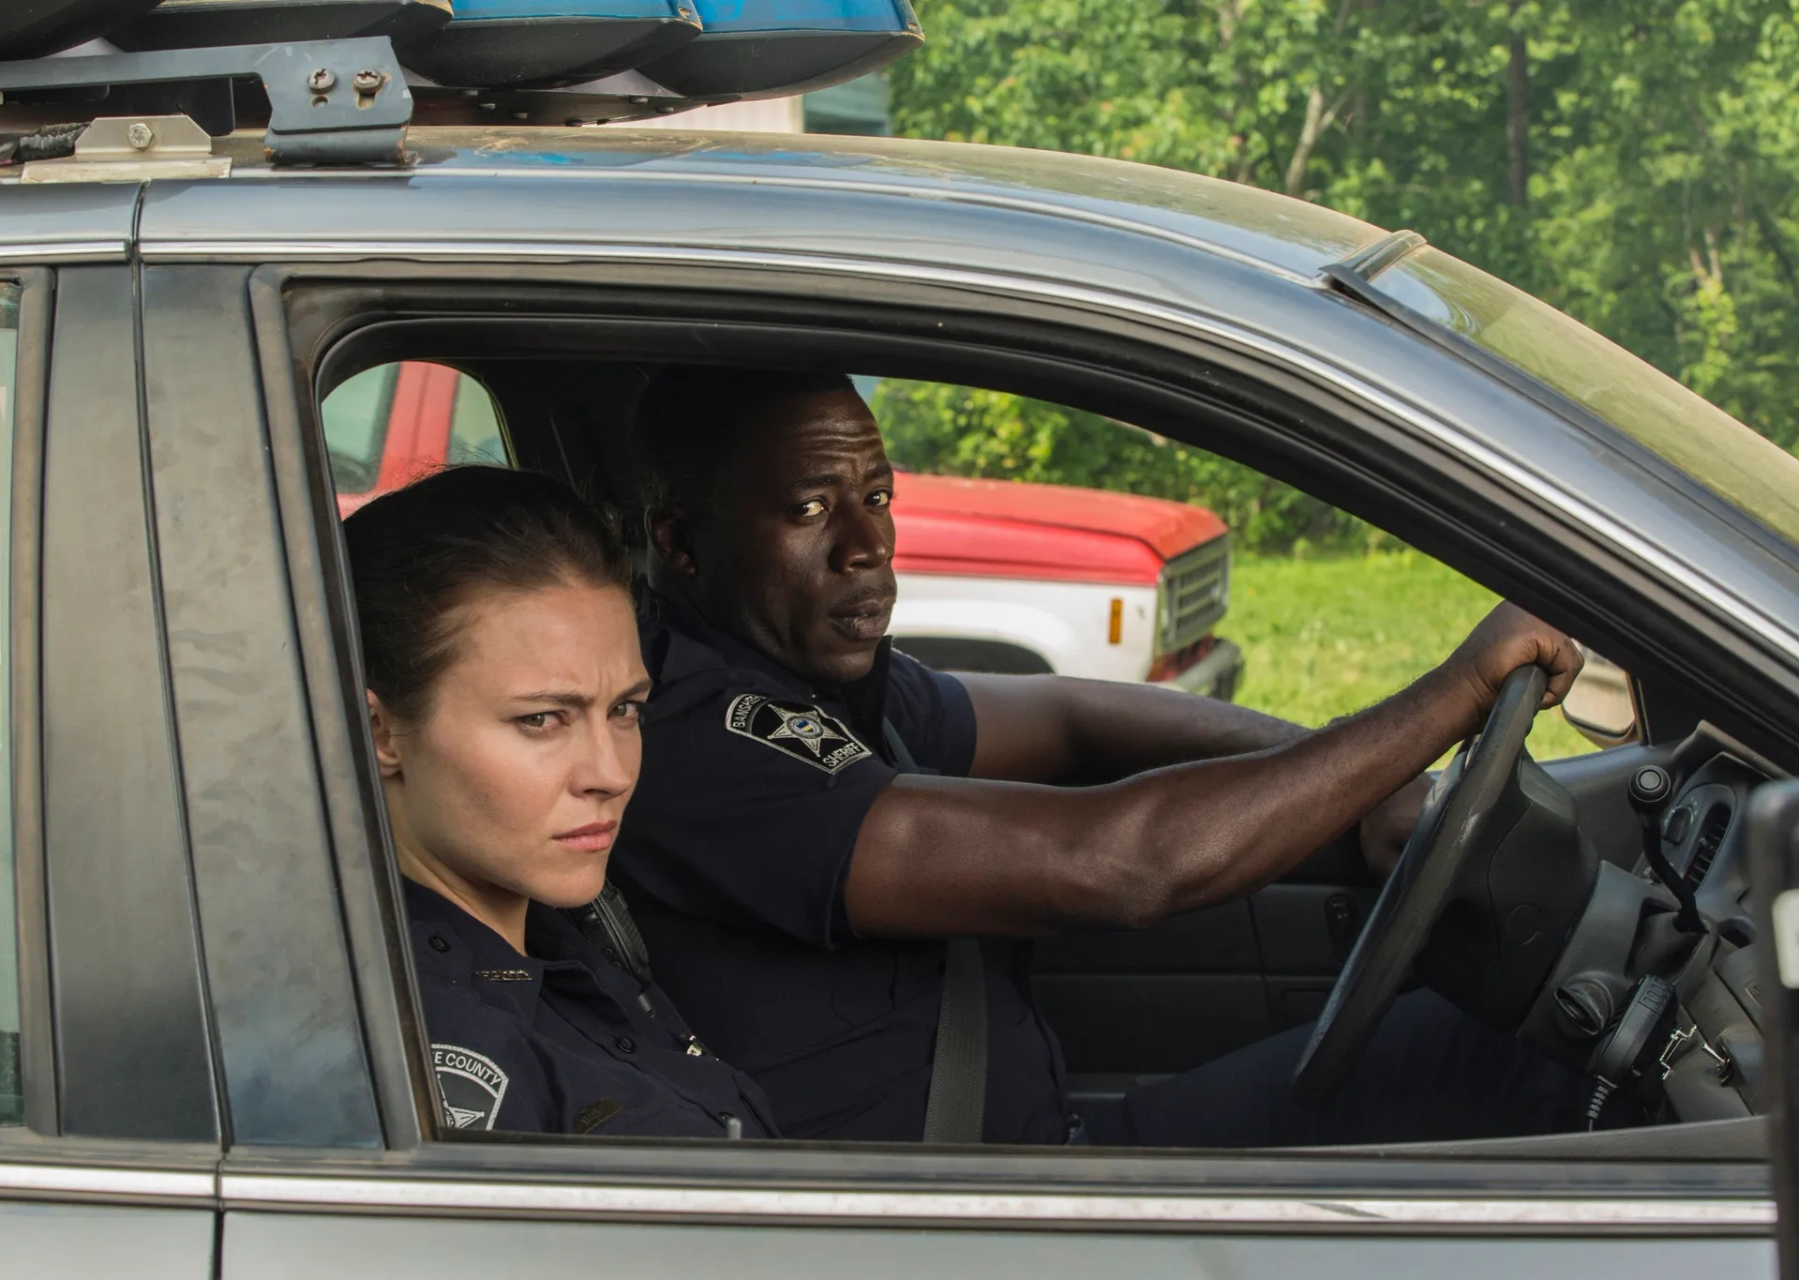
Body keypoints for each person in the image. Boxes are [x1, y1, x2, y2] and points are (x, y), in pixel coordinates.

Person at [606, 365, 1587, 1147]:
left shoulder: (812, 679)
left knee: (1495, 1048)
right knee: (1525, 1068)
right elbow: (1119, 863)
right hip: (957, 1232)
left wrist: (1373, 788)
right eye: (810, 509)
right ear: (680, 542)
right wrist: (1451, 694)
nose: (869, 543)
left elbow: (1074, 714)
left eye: (876, 495)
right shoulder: (696, 737)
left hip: (1037, 1166)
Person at [345, 465, 775, 1139]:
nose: (611, 774)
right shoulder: (423, 1046)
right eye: (542, 719)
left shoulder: (565, 937)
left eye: (625, 710)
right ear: (381, 732)